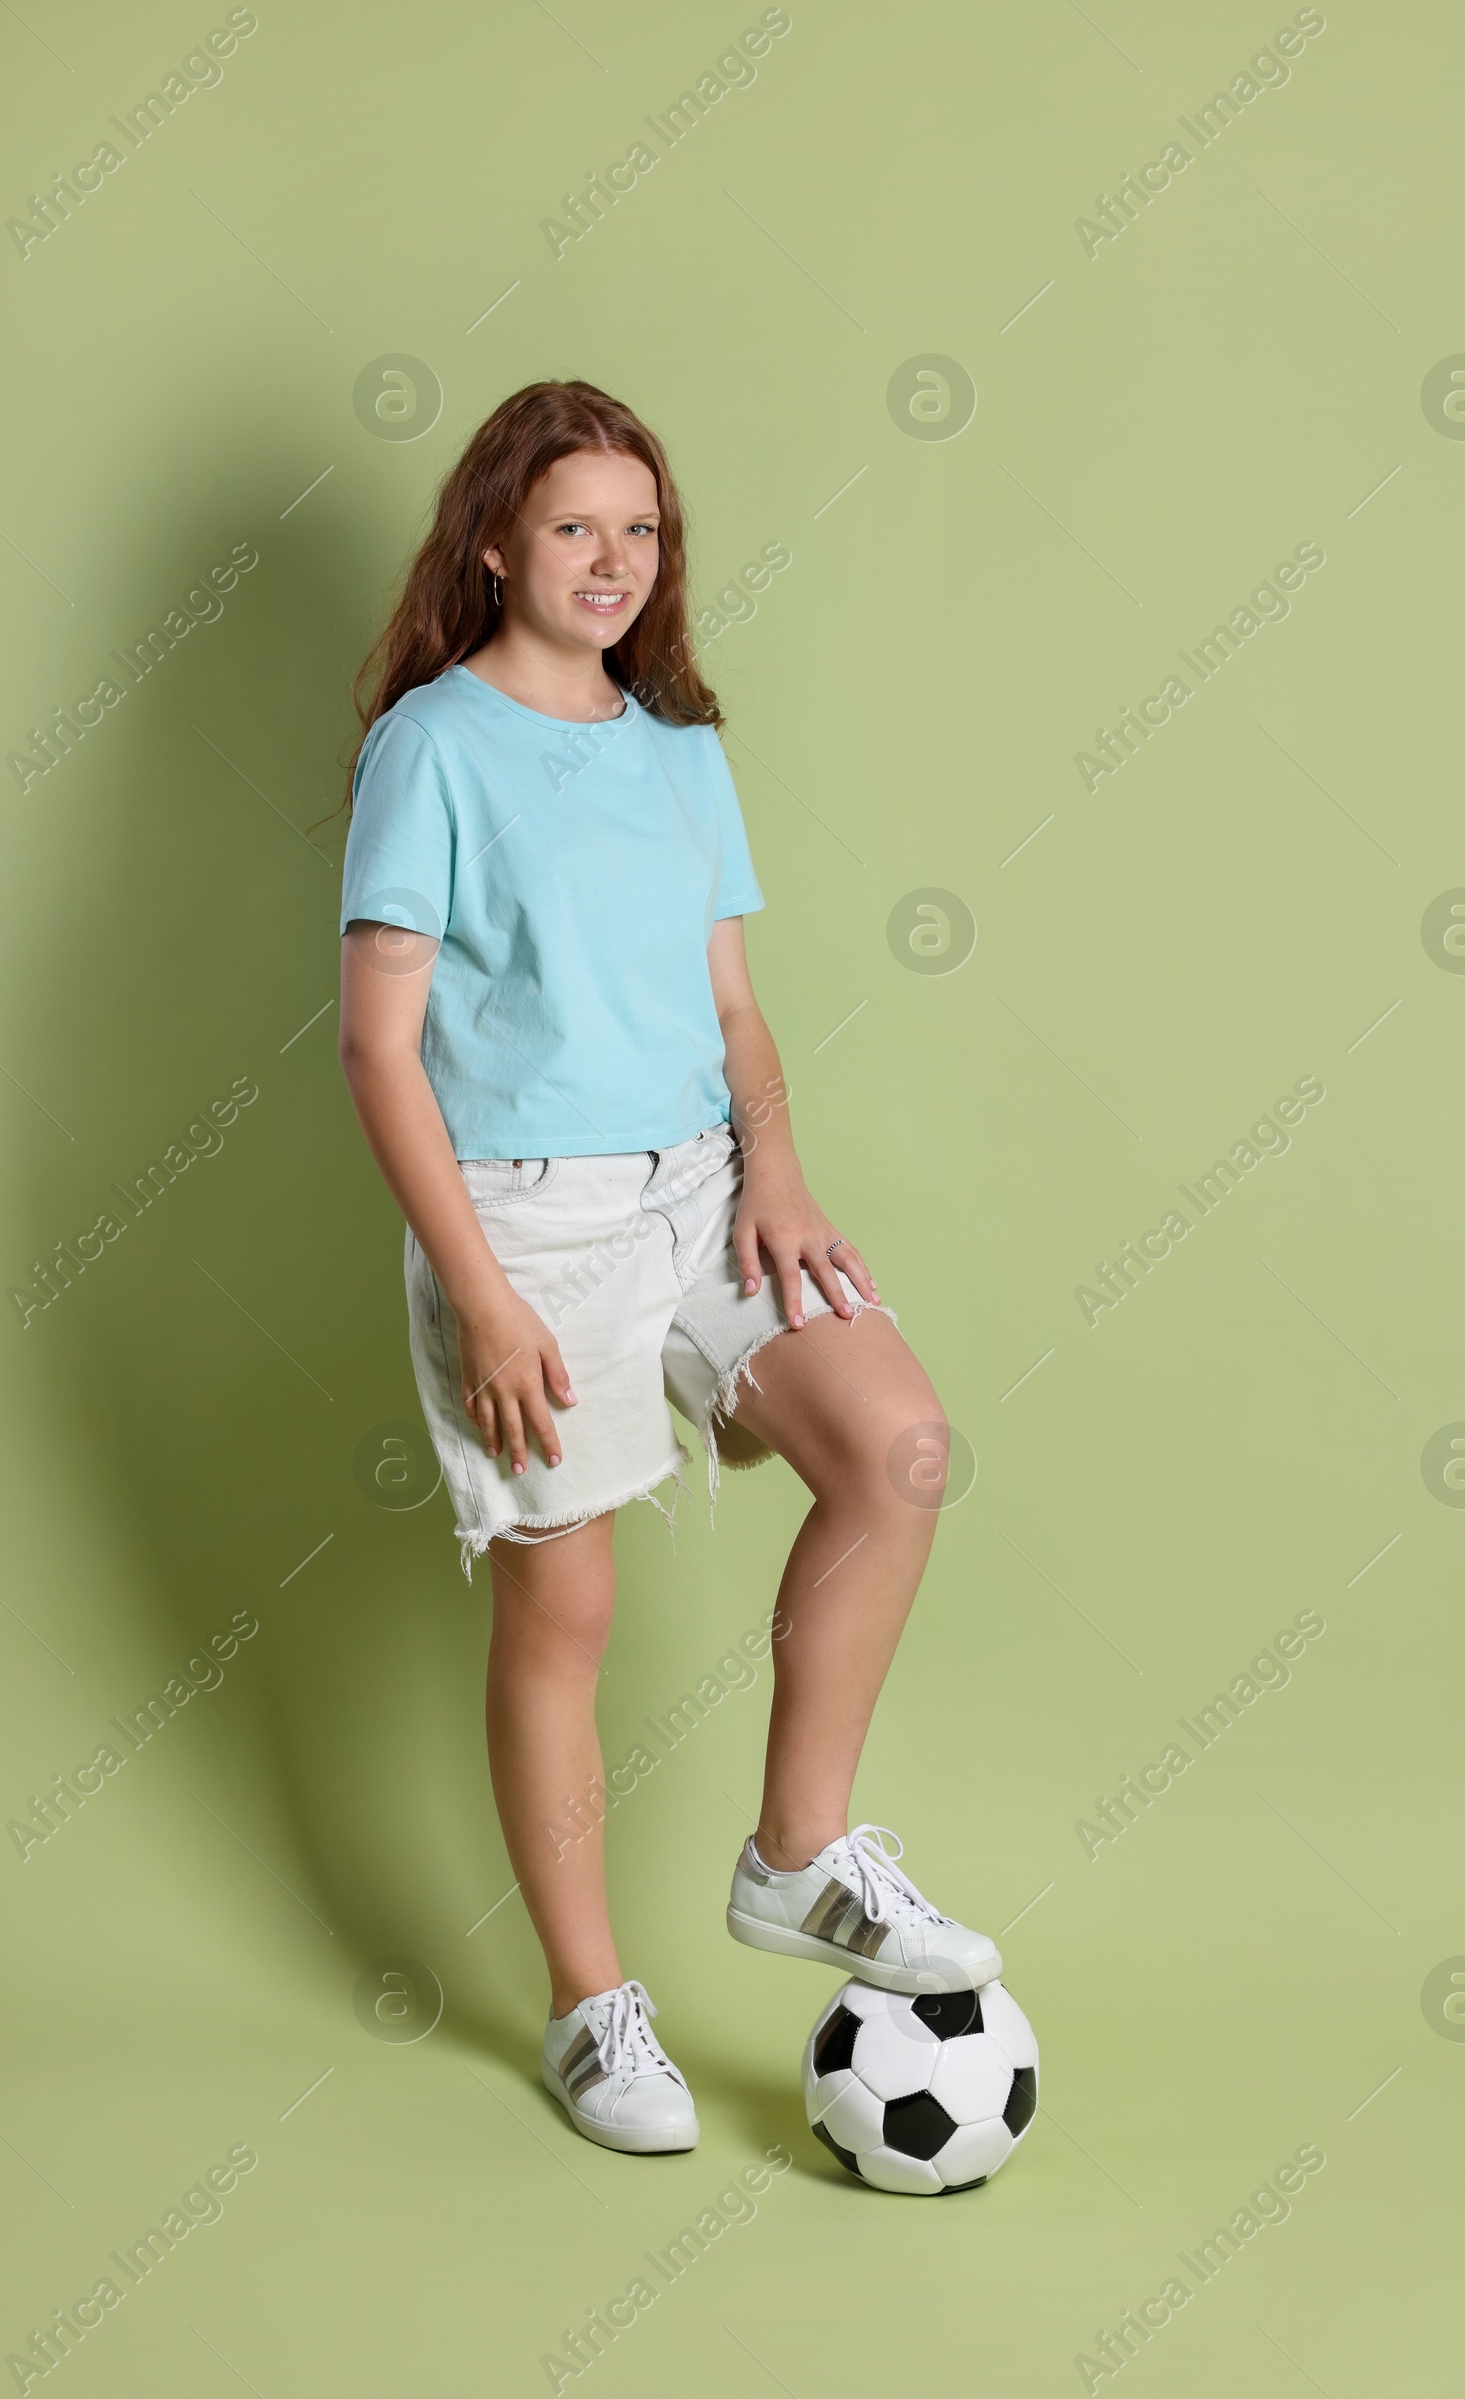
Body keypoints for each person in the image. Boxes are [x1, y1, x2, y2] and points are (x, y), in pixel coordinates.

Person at [337, 380, 1000, 2156]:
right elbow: (378, 1051)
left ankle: (797, 1860)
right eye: (575, 527)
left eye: (641, 530)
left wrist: (774, 1168)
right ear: (495, 540)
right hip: (527, 1222)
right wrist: (481, 1290)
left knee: (900, 1447)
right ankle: (587, 2006)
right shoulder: (434, 746)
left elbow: (731, 1006)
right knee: (568, 1612)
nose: (614, 561)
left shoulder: (682, 750)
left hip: (706, 1190)